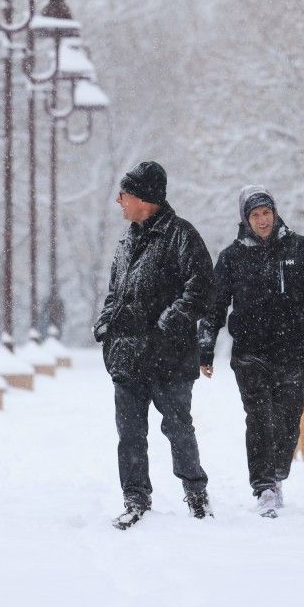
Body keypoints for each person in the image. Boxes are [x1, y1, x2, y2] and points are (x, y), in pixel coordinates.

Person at [199, 185, 304, 518]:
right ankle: (264, 487)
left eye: (267, 213)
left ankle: (277, 475)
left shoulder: (299, 247)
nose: (262, 220)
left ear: (275, 213)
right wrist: (206, 347)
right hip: (250, 352)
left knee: (289, 420)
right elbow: (214, 305)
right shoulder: (232, 257)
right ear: (245, 219)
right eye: (255, 215)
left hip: (292, 350)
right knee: (259, 418)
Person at [93, 161, 216, 530]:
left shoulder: (182, 236)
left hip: (169, 357)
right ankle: (135, 500)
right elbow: (116, 292)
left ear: (144, 199)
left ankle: (196, 494)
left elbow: (201, 290)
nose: (119, 200)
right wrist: (106, 323)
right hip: (127, 356)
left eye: (124, 194)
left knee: (178, 428)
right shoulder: (126, 240)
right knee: (130, 435)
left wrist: (168, 323)